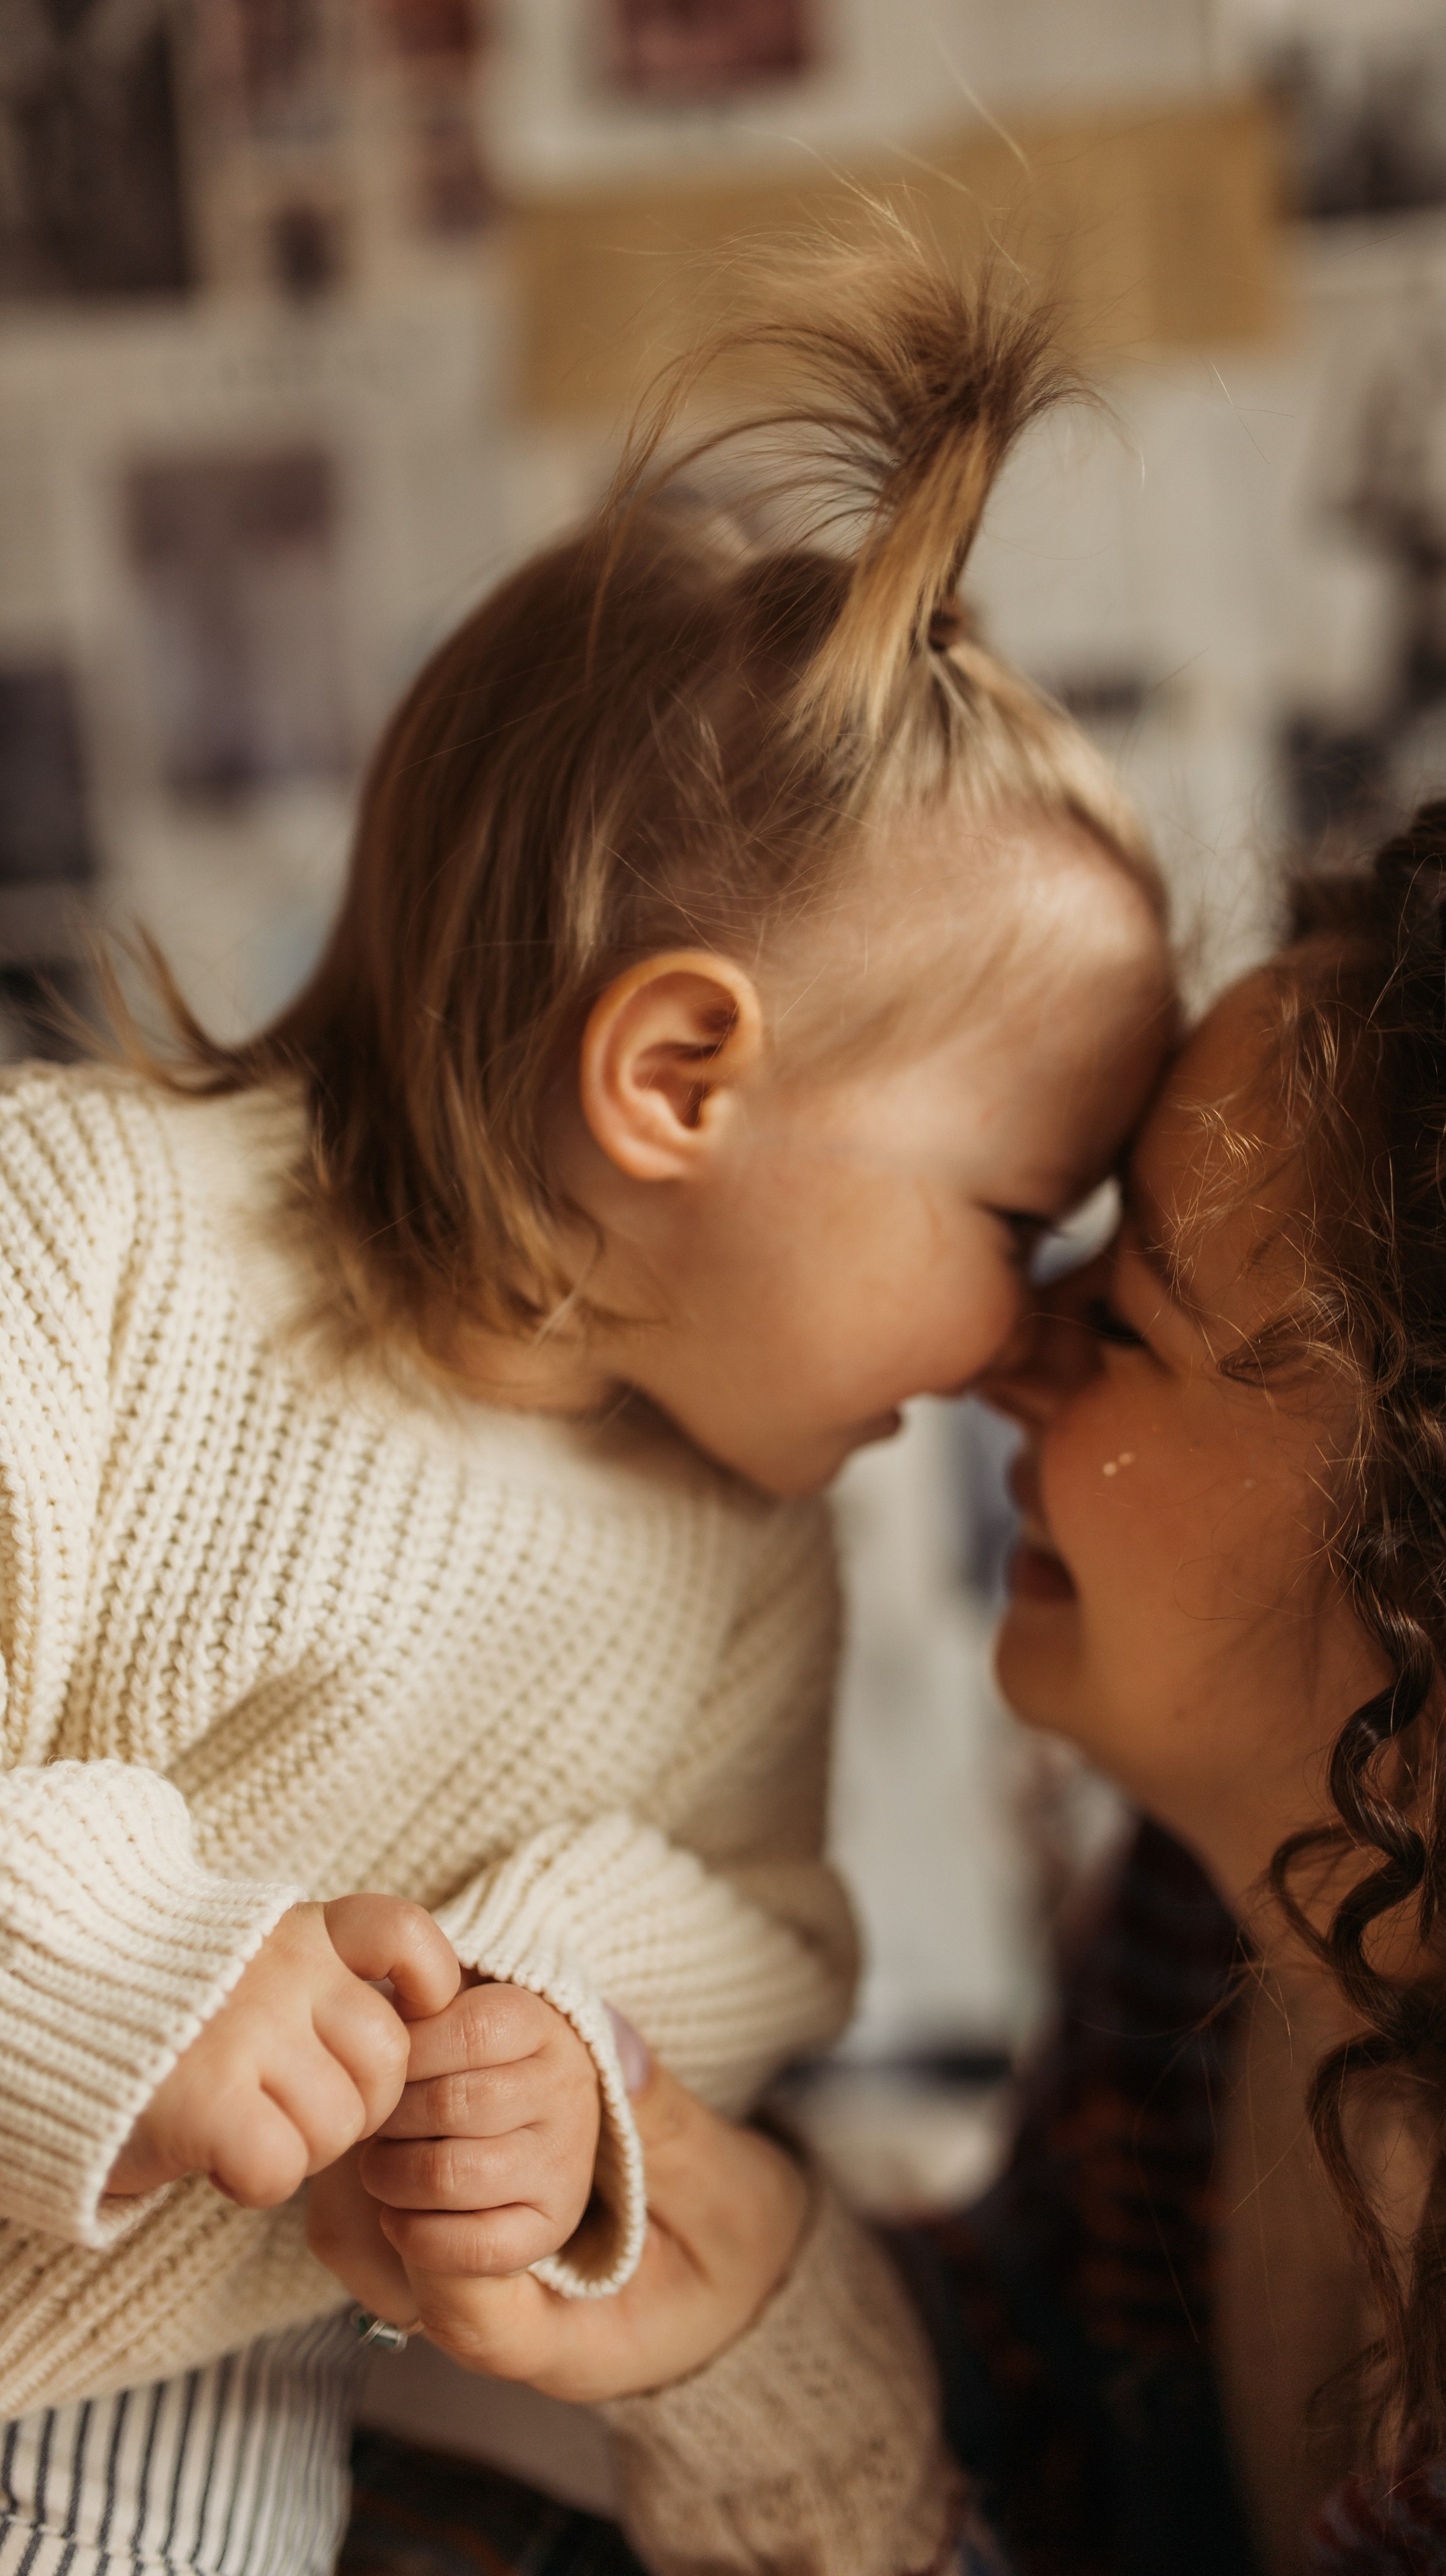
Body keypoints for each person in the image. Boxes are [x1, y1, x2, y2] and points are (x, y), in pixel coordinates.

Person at [0, 254, 1172, 2575]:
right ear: (677, 1078)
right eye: (1011, 1212)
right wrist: (130, 1966)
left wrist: (547, 2064)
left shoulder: (749, 1556)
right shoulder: (90, 1234)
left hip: (186, 2410)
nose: (1027, 1331)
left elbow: (751, 1931)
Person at [353, 796, 1446, 2575]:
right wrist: (695, 2224)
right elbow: (1040, 2404)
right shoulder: (1233, 1907)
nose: (1012, 1351)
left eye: (1136, 1314)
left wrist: (780, 2376)